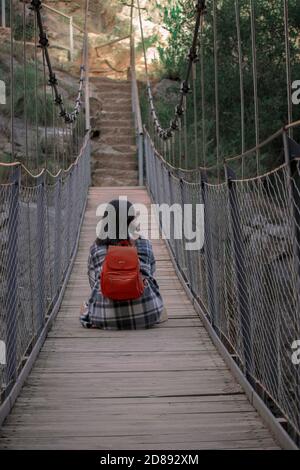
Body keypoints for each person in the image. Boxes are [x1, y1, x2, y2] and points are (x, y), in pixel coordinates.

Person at [80, 198, 165, 329]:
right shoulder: (144, 245)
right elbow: (151, 274)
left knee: (85, 306)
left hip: (104, 316)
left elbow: (94, 282)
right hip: (147, 314)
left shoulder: (97, 248)